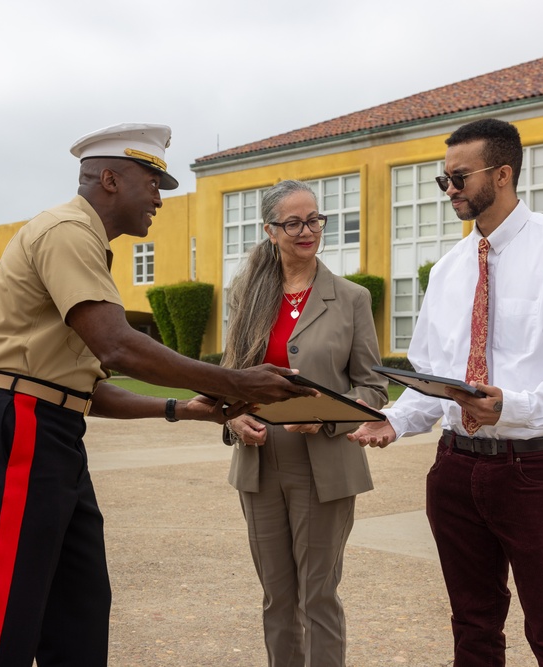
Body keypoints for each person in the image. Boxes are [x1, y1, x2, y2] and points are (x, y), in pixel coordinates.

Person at [0, 122, 315, 667]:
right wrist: (234, 381)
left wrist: (181, 410)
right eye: (153, 183)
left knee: (78, 608)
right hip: (20, 422)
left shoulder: (87, 242)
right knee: (8, 609)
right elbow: (117, 346)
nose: (160, 200)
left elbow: (84, 388)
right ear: (111, 179)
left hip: (48, 425)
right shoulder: (68, 232)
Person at [349, 118, 543, 666]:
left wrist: (511, 407)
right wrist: (396, 420)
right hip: (454, 470)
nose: (449, 190)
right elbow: (431, 372)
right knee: (472, 626)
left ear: (502, 173)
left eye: (459, 178)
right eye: (443, 180)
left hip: (535, 472)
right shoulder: (448, 270)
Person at [221, 179, 388, 667]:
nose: (306, 230)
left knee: (318, 596)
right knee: (277, 598)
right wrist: (236, 418)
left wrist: (327, 417)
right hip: (258, 463)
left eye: (313, 219)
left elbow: (373, 389)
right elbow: (231, 381)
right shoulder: (246, 295)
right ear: (270, 231)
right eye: (293, 222)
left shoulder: (352, 298)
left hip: (325, 464)